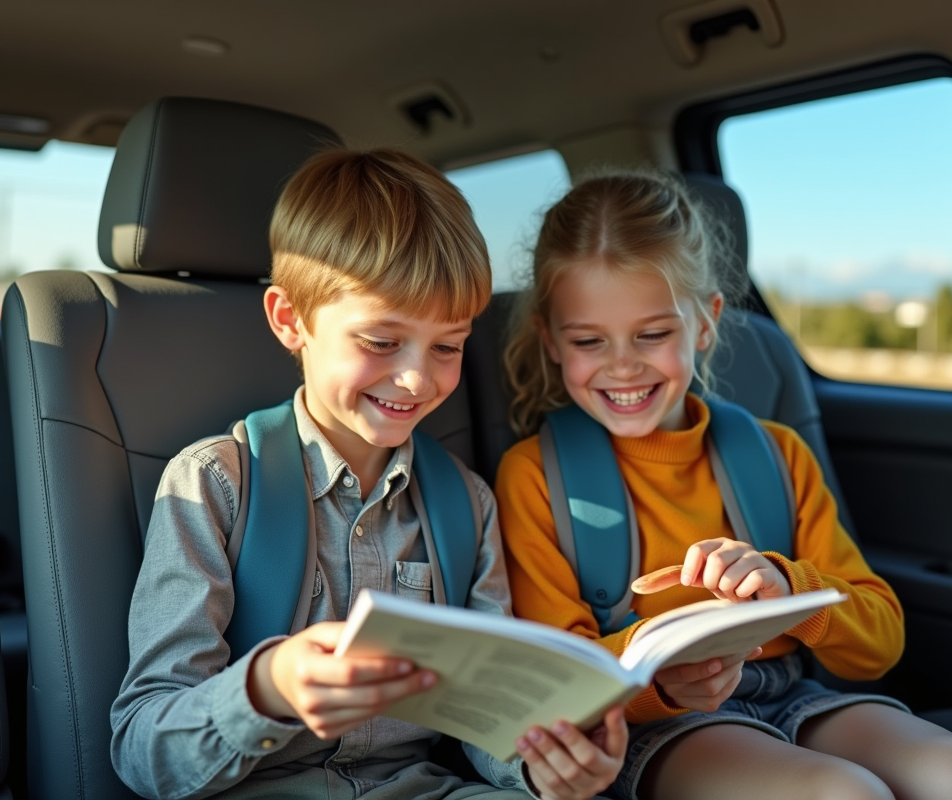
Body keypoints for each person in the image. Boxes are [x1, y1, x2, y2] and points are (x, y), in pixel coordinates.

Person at [110, 149, 626, 800]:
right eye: (381, 342)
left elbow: (484, 720)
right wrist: (267, 686)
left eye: (447, 346)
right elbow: (142, 748)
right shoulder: (212, 486)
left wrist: (542, 762)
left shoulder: (468, 506)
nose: (417, 378)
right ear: (290, 320)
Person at [494, 171, 952, 800]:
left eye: (654, 334)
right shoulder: (534, 476)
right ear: (551, 340)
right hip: (656, 726)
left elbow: (880, 641)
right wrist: (664, 676)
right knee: (840, 795)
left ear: (706, 322)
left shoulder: (775, 453)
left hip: (791, 693)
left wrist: (789, 586)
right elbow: (557, 679)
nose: (623, 364)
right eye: (588, 341)